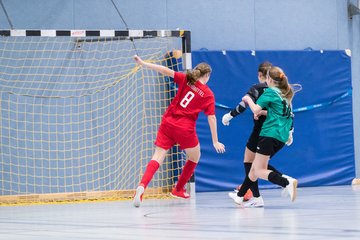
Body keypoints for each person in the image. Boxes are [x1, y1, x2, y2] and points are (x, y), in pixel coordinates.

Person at [133, 55, 225, 208]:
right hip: (184, 128)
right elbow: (212, 118)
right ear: (207, 75)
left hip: (168, 122)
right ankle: (178, 189)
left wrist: (144, 64)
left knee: (158, 155)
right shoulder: (208, 94)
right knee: (195, 156)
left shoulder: (186, 79)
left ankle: (142, 186)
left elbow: (164, 70)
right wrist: (215, 141)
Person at [222, 62, 291, 207]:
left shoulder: (262, 90)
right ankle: (246, 196)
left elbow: (245, 106)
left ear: (264, 76)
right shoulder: (284, 93)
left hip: (265, 132)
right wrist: (291, 131)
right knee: (257, 165)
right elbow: (288, 114)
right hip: (280, 133)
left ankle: (283, 182)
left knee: (253, 165)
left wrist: (229, 115)